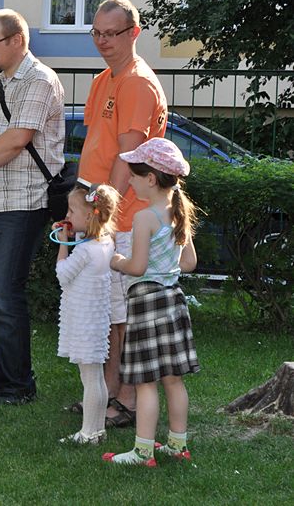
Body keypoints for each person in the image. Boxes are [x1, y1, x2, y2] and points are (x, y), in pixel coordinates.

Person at [0, 8, 65, 405]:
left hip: (24, 199)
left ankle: (19, 386)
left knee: (4, 289)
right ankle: (7, 383)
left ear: (17, 40)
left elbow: (18, 138)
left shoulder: (39, 80)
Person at [77, 0, 168, 427]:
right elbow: (97, 144)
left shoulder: (136, 82)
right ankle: (110, 392)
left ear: (134, 32)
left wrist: (103, 213)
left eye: (111, 33)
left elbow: (128, 155)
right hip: (105, 213)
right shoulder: (103, 79)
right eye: (96, 33)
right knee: (111, 315)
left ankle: (127, 400)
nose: (102, 41)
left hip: (125, 218)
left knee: (126, 317)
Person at [102, 138, 199, 466]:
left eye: (133, 174)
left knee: (145, 382)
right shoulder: (178, 213)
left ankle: (143, 451)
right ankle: (177, 444)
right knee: (173, 379)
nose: (128, 180)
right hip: (173, 301)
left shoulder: (145, 218)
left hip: (146, 303)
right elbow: (188, 263)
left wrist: (117, 260)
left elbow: (138, 267)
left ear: (151, 179)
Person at [52, 184, 120, 444]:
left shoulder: (83, 250)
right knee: (96, 378)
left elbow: (62, 275)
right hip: (96, 321)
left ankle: (88, 432)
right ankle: (96, 429)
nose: (67, 216)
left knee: (90, 379)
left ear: (90, 215)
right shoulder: (106, 243)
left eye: (71, 211)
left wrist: (63, 243)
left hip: (83, 322)